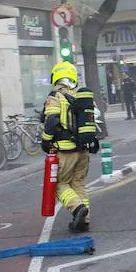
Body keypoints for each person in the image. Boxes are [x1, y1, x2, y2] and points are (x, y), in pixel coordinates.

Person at [40, 61, 93, 232]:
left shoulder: (55, 97)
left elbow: (52, 121)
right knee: (78, 183)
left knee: (59, 184)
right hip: (83, 150)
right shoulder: (78, 96)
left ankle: (77, 208)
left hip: (65, 150)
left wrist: (46, 140)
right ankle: (84, 220)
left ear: (56, 77)